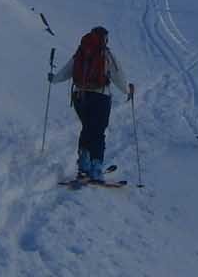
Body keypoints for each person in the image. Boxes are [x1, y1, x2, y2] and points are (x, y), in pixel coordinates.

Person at [49, 25, 134, 181]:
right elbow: (118, 75)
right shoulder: (106, 54)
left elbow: (67, 70)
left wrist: (54, 79)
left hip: (79, 96)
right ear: (104, 39)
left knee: (87, 128)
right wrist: (128, 91)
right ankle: (95, 168)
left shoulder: (81, 52)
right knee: (98, 132)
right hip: (100, 96)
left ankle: (83, 163)